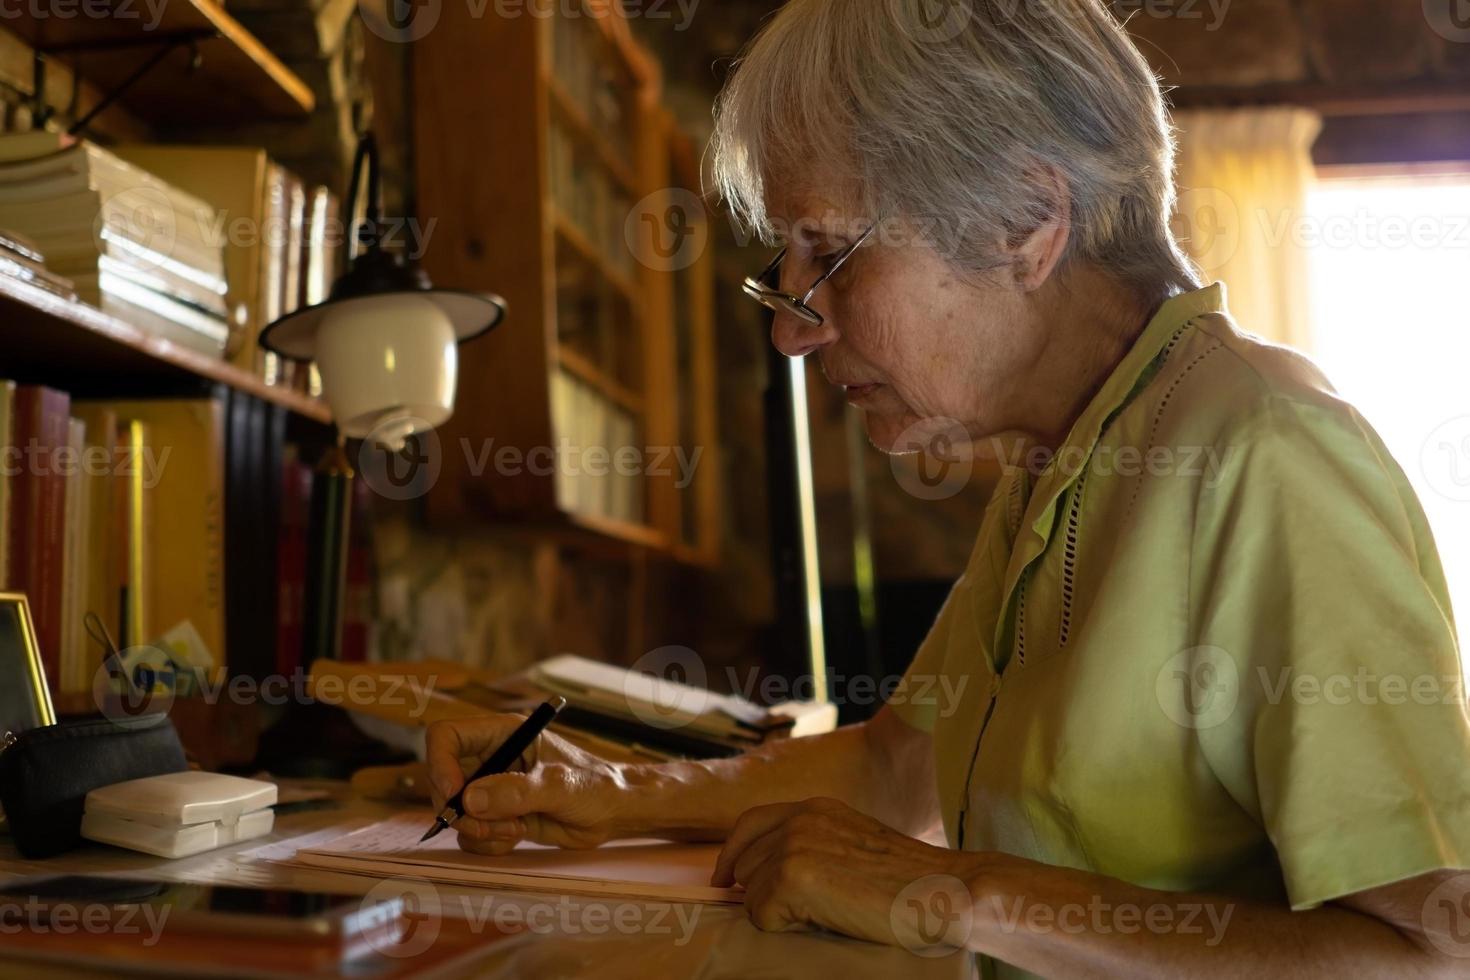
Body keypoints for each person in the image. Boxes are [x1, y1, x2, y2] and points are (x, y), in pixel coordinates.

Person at [429, 1, 1470, 974]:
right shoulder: (1065, 457)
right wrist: (598, 795)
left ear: (1026, 220)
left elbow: (1430, 952)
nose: (792, 329)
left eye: (829, 253)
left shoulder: (1264, 450)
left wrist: (956, 888)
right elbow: (894, 769)